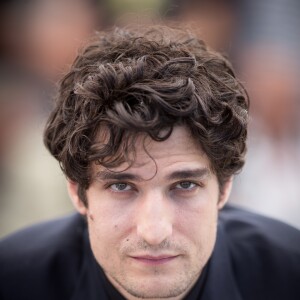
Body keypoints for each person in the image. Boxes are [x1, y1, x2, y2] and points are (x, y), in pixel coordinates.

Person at [0, 24, 299, 300]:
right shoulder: (14, 280)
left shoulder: (289, 273)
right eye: (121, 185)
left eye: (184, 185)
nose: (155, 231)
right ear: (77, 192)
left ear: (224, 189)